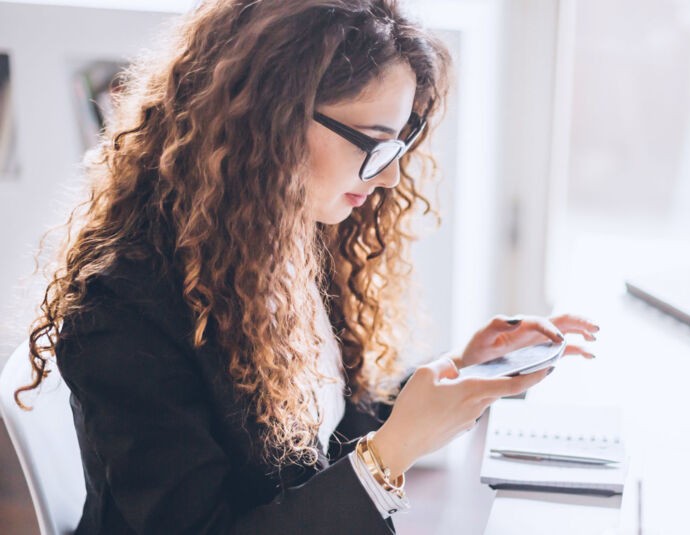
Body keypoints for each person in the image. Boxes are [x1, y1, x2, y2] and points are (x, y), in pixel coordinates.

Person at [14, 1, 599, 533]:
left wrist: (462, 371)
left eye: (398, 145)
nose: (390, 176)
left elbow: (321, 435)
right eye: (373, 142)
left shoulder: (284, 239)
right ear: (269, 120)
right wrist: (389, 456)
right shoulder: (121, 304)